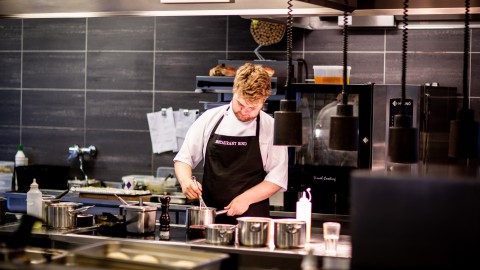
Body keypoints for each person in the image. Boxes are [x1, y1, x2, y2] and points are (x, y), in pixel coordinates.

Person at [174, 63, 288, 224]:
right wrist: (186, 181)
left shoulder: (271, 128)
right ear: (234, 91)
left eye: (253, 107)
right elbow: (184, 159)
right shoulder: (210, 119)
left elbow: (277, 178)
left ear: (264, 100)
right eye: (241, 104)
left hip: (252, 221)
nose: (245, 111)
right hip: (210, 217)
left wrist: (246, 199)